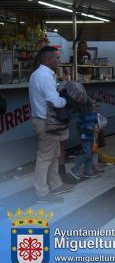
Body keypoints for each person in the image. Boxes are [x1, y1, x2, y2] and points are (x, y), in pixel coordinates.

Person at [29, 46, 72, 203]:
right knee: (45, 158)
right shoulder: (44, 76)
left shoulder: (41, 74)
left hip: (45, 121)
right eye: (57, 58)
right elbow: (54, 101)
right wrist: (67, 100)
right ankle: (41, 192)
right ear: (48, 59)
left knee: (53, 156)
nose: (59, 61)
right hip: (45, 122)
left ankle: (55, 184)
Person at [69, 99, 101, 180]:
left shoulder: (94, 113)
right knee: (87, 153)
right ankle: (74, 170)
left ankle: (87, 172)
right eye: (93, 103)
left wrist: (98, 126)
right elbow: (79, 125)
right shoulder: (82, 113)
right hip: (85, 135)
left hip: (92, 136)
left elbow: (96, 123)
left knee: (90, 153)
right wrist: (88, 127)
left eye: (94, 104)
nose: (94, 105)